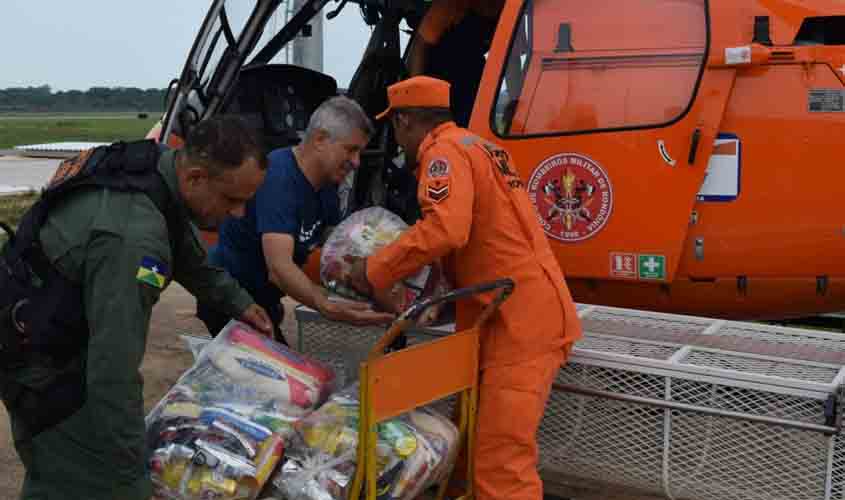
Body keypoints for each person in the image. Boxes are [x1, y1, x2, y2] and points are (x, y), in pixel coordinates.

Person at [0, 115, 275, 499]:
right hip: (48, 374)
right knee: (100, 486)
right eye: (232, 200)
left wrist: (241, 305)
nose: (238, 214)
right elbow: (113, 372)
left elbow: (188, 257)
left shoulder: (162, 169)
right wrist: (132, 465)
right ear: (195, 177)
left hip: (48, 331)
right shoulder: (133, 241)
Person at [337, 76, 583, 500]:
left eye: (396, 127)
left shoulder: (443, 153)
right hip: (509, 317)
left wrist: (375, 269)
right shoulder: (478, 145)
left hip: (518, 327)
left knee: (498, 467)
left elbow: (446, 230)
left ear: (406, 121)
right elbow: (479, 239)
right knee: (464, 448)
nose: (397, 139)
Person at [196, 96, 394, 342]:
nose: (356, 162)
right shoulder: (279, 178)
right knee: (275, 376)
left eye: (360, 152)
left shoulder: (328, 183)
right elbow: (279, 269)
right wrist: (325, 303)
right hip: (229, 296)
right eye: (351, 150)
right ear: (320, 140)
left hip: (264, 297)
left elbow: (335, 246)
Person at [408, 0, 505, 127]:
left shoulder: (510, 9)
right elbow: (419, 46)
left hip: (472, 73)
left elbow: (513, 57)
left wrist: (516, 101)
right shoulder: (450, 5)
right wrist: (417, 95)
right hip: (439, 73)